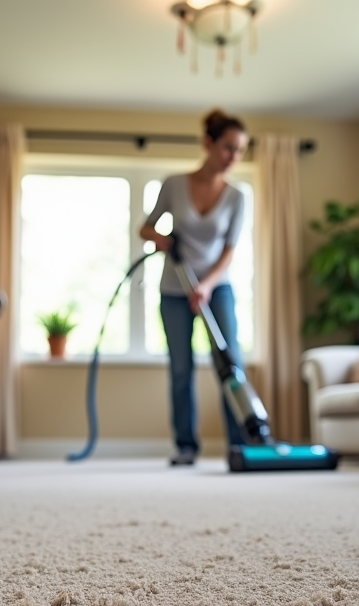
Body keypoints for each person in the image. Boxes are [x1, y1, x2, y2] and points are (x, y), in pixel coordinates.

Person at [139, 109, 249, 466]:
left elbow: (229, 250)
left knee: (229, 361)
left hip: (217, 288)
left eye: (240, 151)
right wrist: (160, 239)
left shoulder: (237, 196)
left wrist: (207, 285)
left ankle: (241, 441)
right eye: (228, 147)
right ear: (209, 144)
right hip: (174, 288)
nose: (233, 157)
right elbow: (145, 228)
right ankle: (186, 445)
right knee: (181, 367)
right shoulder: (173, 185)